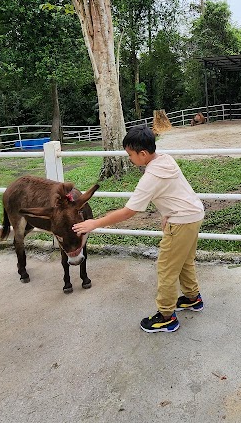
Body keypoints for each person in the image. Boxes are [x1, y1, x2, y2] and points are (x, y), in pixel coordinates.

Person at [73, 125, 205, 333]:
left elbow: (128, 212)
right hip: (193, 215)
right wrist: (166, 214)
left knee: (166, 268)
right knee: (184, 261)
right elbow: (176, 191)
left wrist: (94, 223)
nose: (130, 159)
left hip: (181, 222)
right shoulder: (166, 159)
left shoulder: (151, 177)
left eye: (131, 155)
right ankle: (192, 298)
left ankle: (167, 317)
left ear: (143, 153)